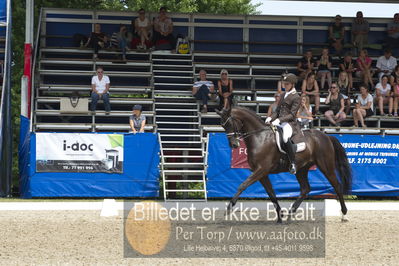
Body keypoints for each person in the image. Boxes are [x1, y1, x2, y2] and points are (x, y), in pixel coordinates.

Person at [265, 73, 305, 175]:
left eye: (287, 84)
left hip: (290, 124)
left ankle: (293, 163)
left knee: (285, 137)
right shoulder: (282, 95)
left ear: (292, 84)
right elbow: (277, 111)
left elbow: (292, 115)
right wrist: (270, 118)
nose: (285, 86)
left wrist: (279, 120)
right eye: (284, 84)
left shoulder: (296, 97)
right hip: (280, 122)